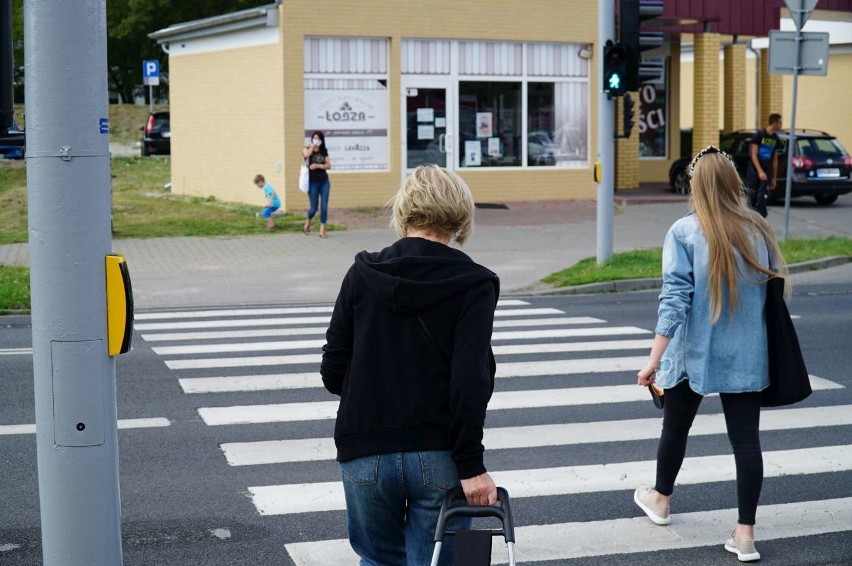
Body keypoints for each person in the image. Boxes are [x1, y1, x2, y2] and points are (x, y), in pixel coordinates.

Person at [320, 165, 500, 565]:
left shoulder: (362, 272)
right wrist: (472, 466)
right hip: (438, 453)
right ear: (459, 213)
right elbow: (469, 381)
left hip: (363, 447)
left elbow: (333, 370)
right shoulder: (474, 282)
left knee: (378, 560)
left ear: (404, 209)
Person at [633, 146, 789, 563]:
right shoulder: (758, 229)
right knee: (746, 443)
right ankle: (745, 534)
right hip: (747, 356)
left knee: (675, 429)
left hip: (692, 356)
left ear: (694, 185)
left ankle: (662, 500)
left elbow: (675, 301)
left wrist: (652, 361)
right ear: (734, 183)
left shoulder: (684, 232)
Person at [746, 113, 783, 217]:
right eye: (780, 122)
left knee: (762, 194)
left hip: (766, 169)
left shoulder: (775, 138)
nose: (781, 125)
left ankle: (761, 216)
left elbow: (775, 159)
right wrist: (759, 171)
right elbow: (753, 155)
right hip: (754, 169)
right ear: (775, 123)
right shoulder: (759, 135)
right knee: (752, 194)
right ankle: (750, 215)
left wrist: (774, 178)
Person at [302, 130, 331, 238]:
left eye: (318, 138)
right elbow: (306, 155)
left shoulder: (324, 151)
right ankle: (308, 221)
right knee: (313, 208)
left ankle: (322, 229)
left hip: (324, 181)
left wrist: (318, 166)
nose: (316, 140)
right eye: (315, 138)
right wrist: (311, 147)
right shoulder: (306, 148)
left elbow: (328, 165)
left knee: (324, 206)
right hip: (312, 182)